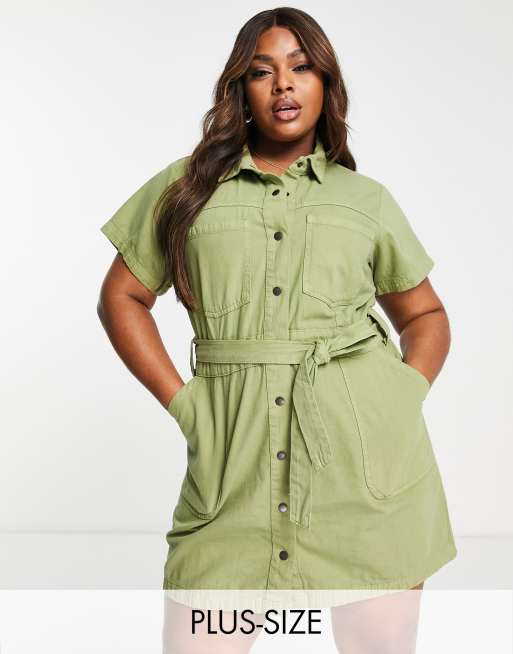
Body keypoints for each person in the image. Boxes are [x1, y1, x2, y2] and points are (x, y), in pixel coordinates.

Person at [97, 7, 457, 653]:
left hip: (366, 478)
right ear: (241, 88)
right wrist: (184, 404)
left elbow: (425, 315)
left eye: (301, 67)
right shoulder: (185, 188)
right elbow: (121, 297)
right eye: (262, 71)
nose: (283, 84)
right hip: (232, 473)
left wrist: (400, 398)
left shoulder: (364, 199)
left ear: (326, 84)